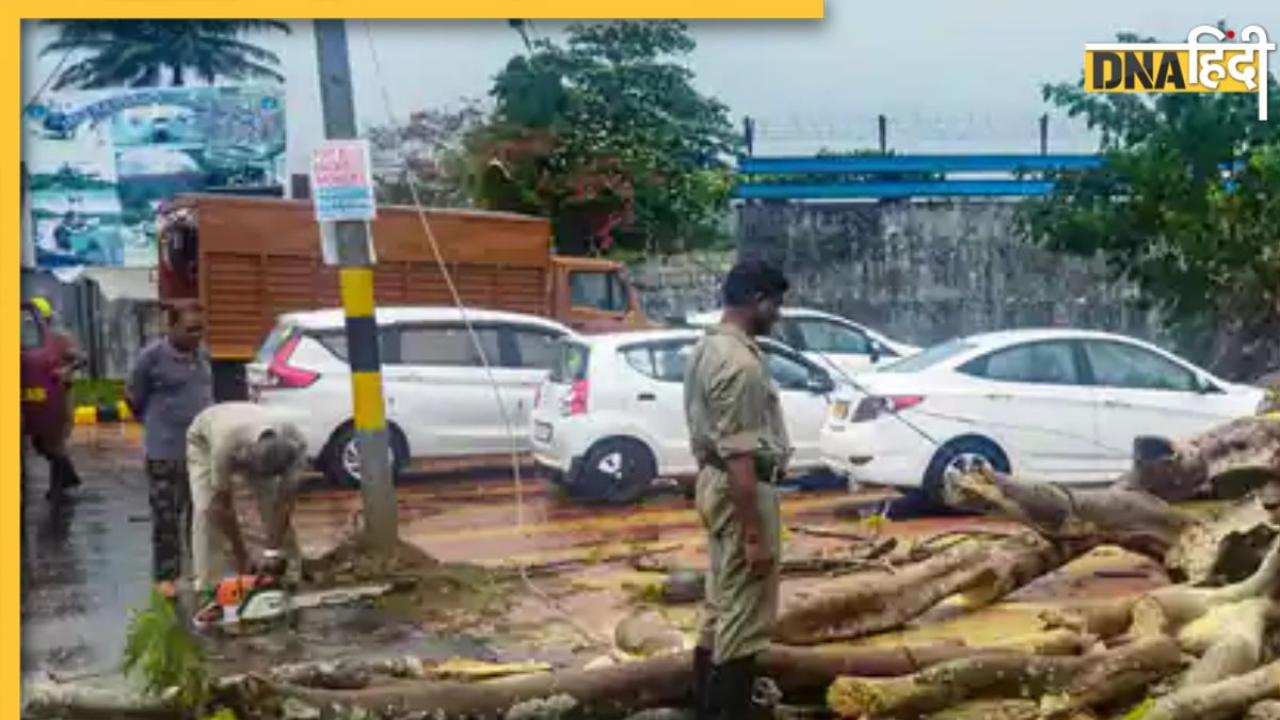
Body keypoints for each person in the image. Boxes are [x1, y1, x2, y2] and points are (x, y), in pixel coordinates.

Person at [683, 260, 792, 720]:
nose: (779, 316)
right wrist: (753, 536)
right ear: (757, 301)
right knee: (744, 616)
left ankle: (703, 704)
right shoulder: (741, 364)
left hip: (715, 483)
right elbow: (740, 455)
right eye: (776, 305)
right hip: (741, 490)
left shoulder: (707, 348)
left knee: (720, 602)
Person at [185, 401, 307, 625]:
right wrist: (242, 556)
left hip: (252, 428)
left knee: (272, 506)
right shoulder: (225, 445)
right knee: (205, 510)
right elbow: (221, 506)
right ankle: (209, 586)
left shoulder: (297, 443)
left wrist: (272, 553)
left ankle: (288, 574)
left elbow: (285, 502)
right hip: (205, 437)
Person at [125, 301, 214, 598]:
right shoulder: (151, 358)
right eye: (190, 329)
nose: (196, 335)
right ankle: (166, 578)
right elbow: (134, 396)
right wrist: (157, 423)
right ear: (171, 326)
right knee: (166, 518)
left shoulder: (202, 355)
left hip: (200, 452)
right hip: (165, 452)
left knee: (201, 514)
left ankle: (199, 571)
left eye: (200, 329)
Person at [30, 296, 84, 501]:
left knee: (54, 441)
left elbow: (81, 359)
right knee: (42, 443)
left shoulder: (59, 339)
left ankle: (58, 487)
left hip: (60, 395)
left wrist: (65, 370)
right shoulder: (28, 338)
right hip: (39, 397)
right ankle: (69, 478)